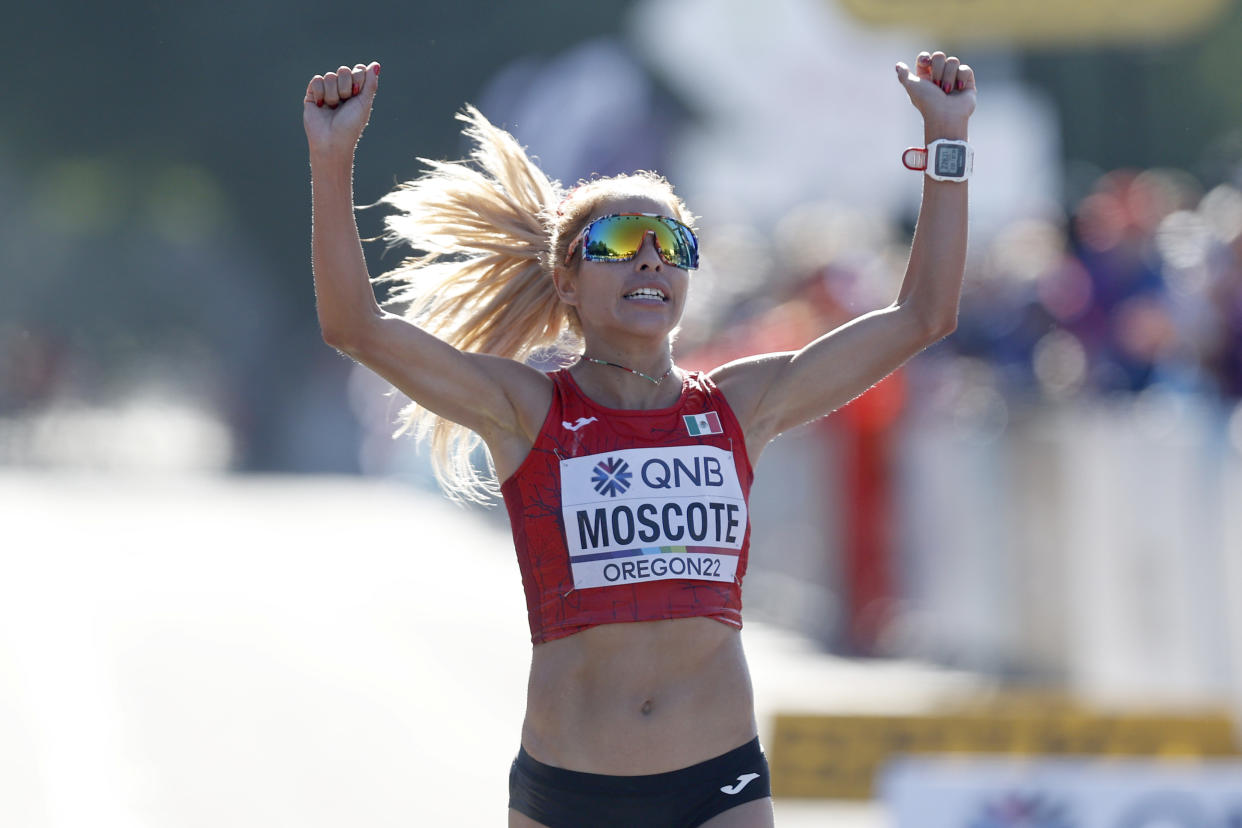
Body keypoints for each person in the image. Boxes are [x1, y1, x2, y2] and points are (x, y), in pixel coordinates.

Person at [303, 49, 975, 828]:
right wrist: (331, 158)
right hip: (572, 789)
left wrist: (947, 141)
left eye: (672, 244)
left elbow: (924, 315)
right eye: (620, 242)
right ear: (566, 281)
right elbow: (355, 327)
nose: (650, 257)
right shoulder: (525, 410)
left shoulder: (740, 405)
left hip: (718, 781)